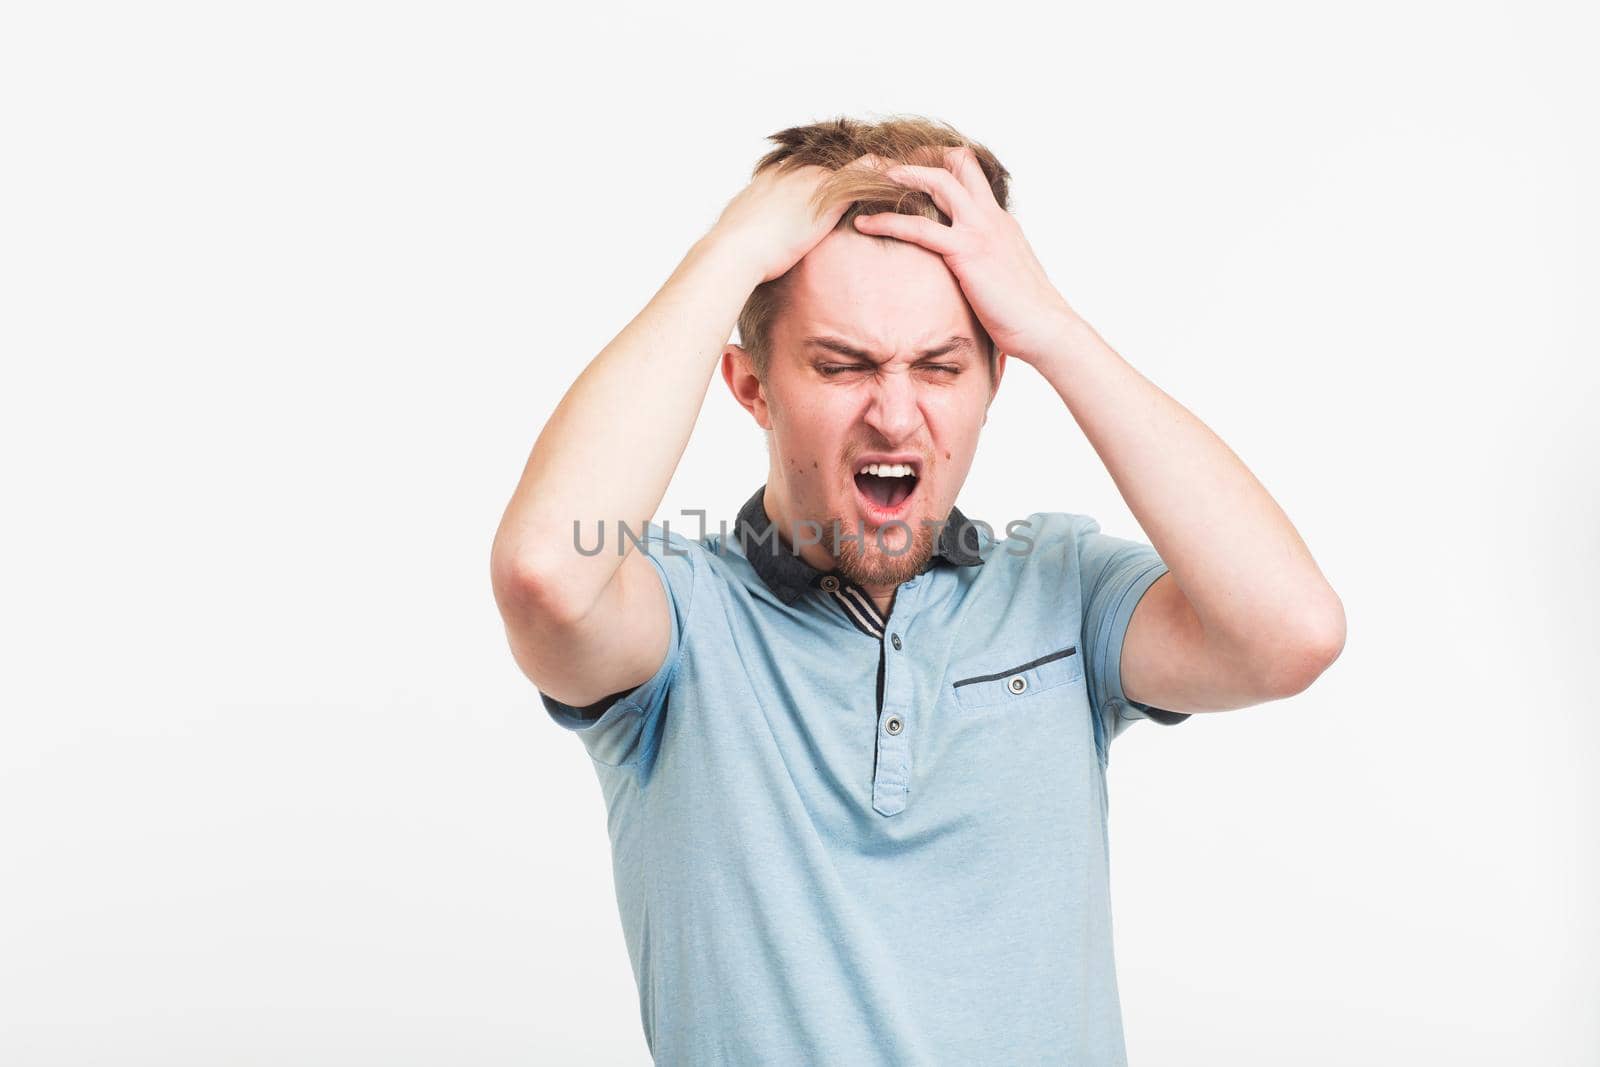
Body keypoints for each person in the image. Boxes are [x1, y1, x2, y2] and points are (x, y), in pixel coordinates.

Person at [490, 115, 1345, 1065]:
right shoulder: (681, 620)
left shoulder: (1060, 590)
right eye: (840, 364)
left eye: (939, 367)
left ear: (992, 380)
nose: (895, 415)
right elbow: (545, 578)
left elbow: (1291, 632)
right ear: (750, 386)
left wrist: (1055, 328)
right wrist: (731, 250)